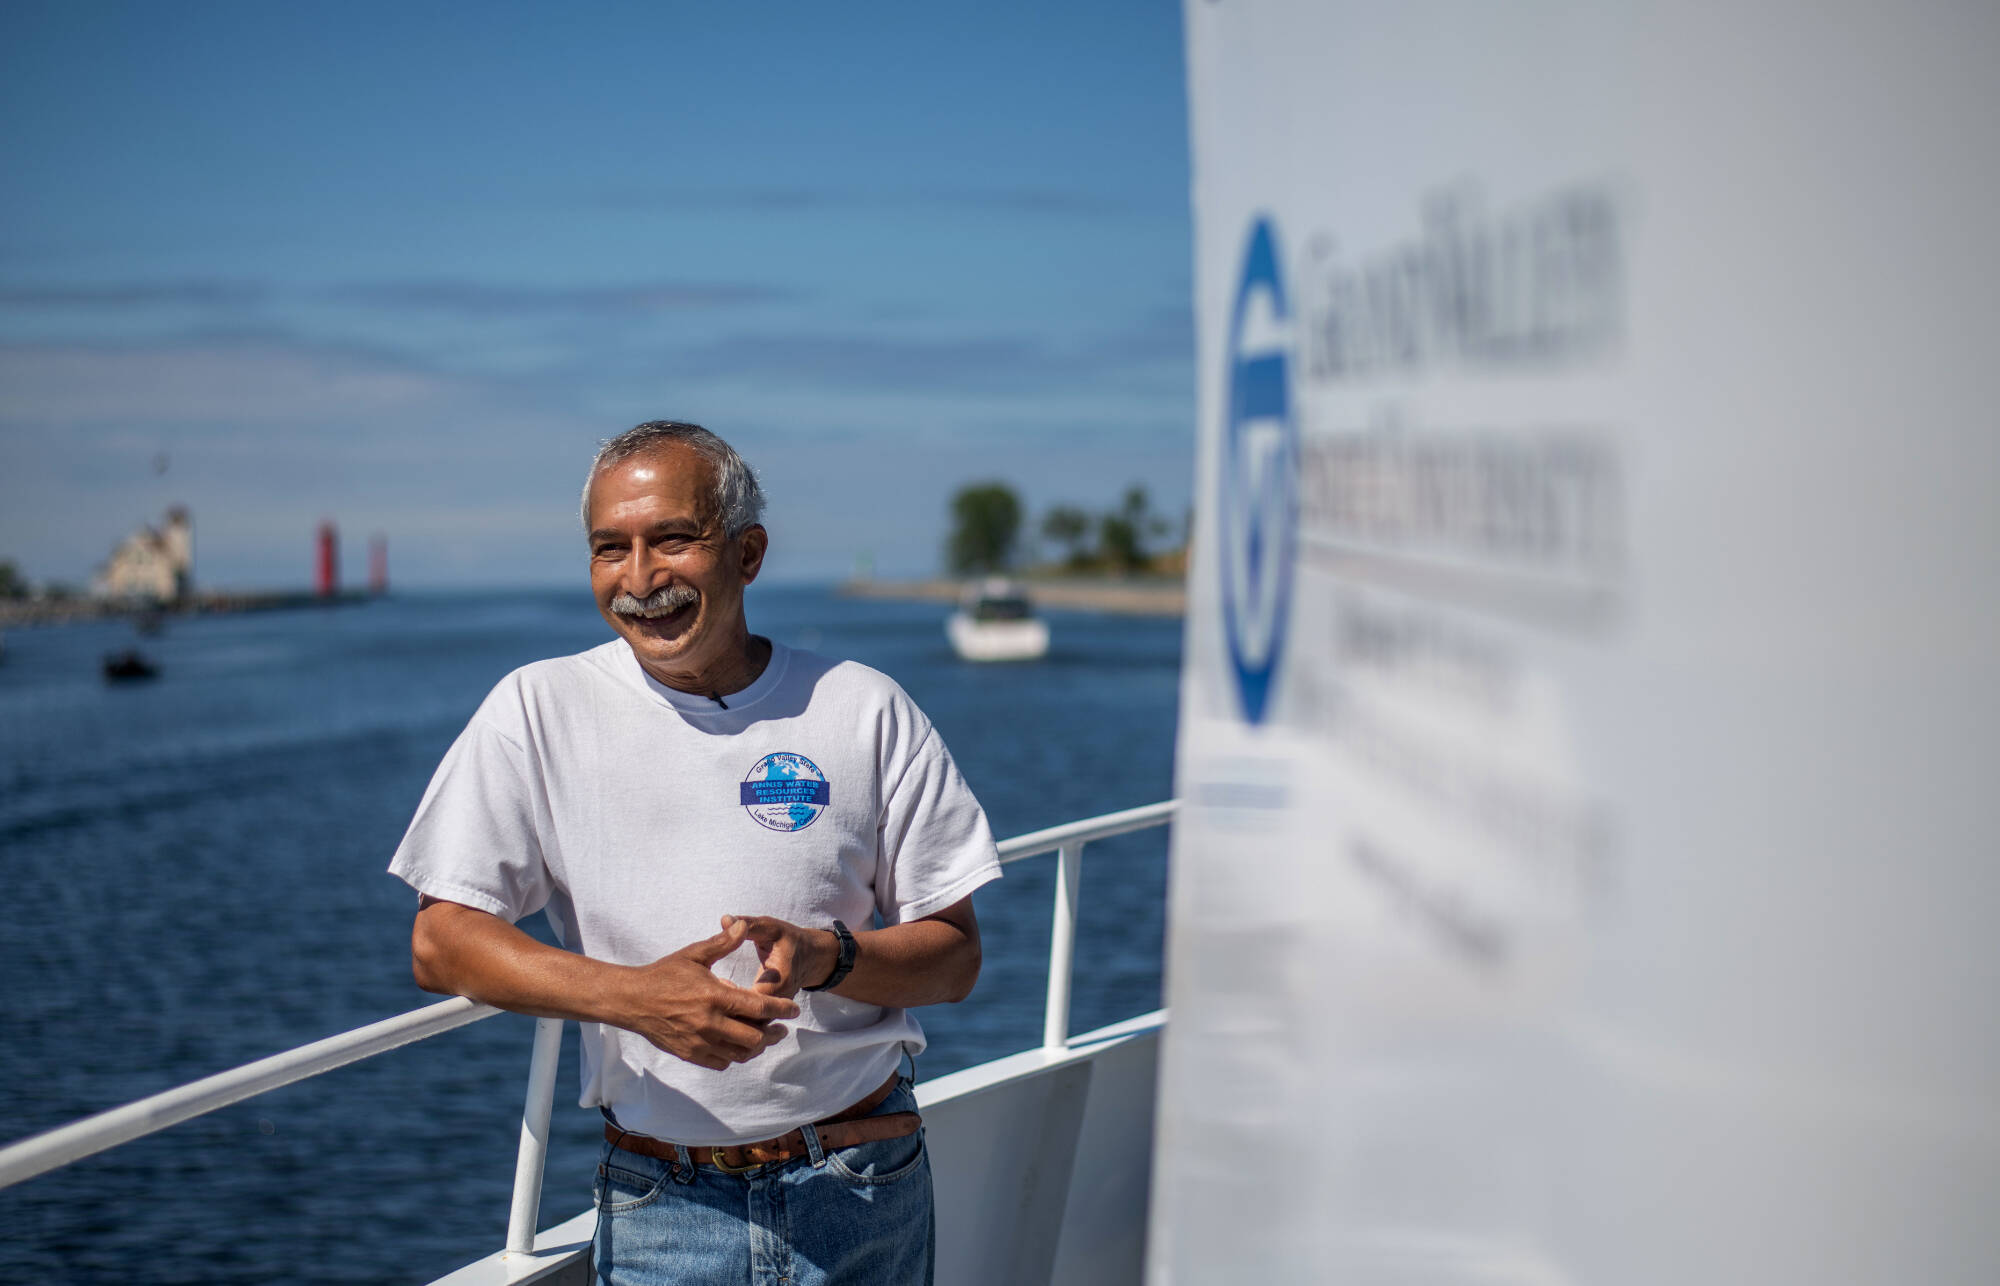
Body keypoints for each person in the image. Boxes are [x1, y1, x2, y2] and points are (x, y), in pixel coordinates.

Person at [388, 421, 1001, 1286]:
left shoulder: (864, 708)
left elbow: (957, 957)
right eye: (611, 548)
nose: (640, 580)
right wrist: (637, 1000)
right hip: (662, 1202)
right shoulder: (539, 709)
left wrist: (831, 957)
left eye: (673, 539)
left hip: (864, 1179)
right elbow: (439, 939)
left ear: (747, 554)